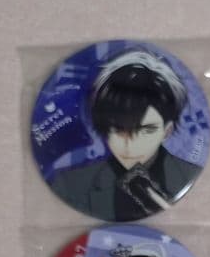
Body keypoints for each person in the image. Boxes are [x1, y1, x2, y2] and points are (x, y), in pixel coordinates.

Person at [50, 50, 200, 221]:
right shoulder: (71, 185)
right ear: (104, 128)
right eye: (118, 130)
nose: (130, 146)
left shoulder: (193, 179)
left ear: (167, 131)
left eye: (146, 130)